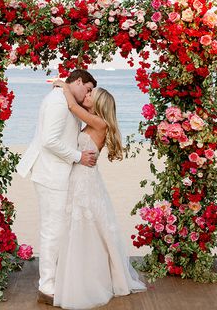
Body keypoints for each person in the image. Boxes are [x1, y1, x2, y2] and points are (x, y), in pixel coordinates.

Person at [52, 80, 146, 309]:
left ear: (99, 103)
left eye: (91, 92)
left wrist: (64, 87)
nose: (88, 93)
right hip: (80, 177)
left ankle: (89, 279)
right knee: (83, 225)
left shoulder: (100, 123)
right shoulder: (91, 119)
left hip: (85, 179)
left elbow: (73, 108)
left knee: (87, 226)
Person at [16, 70, 98, 305]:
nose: (88, 93)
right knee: (52, 231)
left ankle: (54, 280)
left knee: (57, 229)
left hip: (55, 172)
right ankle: (47, 286)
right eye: (88, 88)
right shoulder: (58, 103)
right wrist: (78, 156)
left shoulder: (64, 98)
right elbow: (49, 141)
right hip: (51, 174)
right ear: (79, 81)